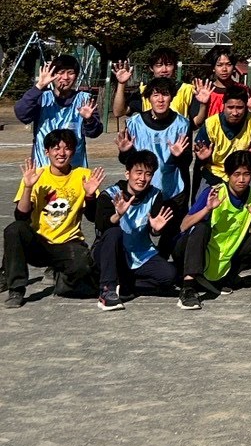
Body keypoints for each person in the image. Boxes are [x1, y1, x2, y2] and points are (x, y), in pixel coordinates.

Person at [4, 132, 103, 306]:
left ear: (74, 152)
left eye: (67, 148)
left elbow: (94, 218)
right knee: (14, 229)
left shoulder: (83, 176)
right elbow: (21, 216)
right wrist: (28, 188)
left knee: (84, 270)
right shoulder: (37, 176)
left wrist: (90, 196)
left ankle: (62, 279)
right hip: (39, 243)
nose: (61, 153)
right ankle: (16, 289)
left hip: (68, 243)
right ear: (46, 152)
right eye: (56, 148)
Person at [176, 150, 251, 308]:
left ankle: (225, 277)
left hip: (223, 254)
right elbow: (184, 225)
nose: (241, 179)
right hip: (193, 251)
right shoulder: (214, 192)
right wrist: (207, 209)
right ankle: (188, 287)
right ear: (228, 174)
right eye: (236, 174)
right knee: (200, 227)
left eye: (246, 174)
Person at [93, 149, 178, 309]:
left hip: (141, 252)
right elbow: (102, 226)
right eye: (138, 173)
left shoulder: (155, 195)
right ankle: (107, 290)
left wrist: (156, 230)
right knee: (114, 232)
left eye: (148, 174)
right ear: (127, 173)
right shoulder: (110, 195)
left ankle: (126, 284)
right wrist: (117, 214)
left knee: (169, 277)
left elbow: (154, 229)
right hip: (112, 251)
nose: (142, 178)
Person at [16, 55, 103, 168]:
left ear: (76, 76)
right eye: (61, 72)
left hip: (74, 168)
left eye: (70, 73)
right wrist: (39, 86)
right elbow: (22, 115)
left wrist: (89, 120)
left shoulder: (84, 100)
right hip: (43, 167)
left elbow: (94, 132)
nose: (65, 77)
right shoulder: (42, 97)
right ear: (53, 74)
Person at [121, 77, 192, 214]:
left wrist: (179, 156)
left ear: (172, 97)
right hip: (142, 190)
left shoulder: (182, 124)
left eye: (165, 94)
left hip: (173, 191)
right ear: (149, 98)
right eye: (156, 95)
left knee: (173, 234)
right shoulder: (134, 123)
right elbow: (127, 162)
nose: (160, 100)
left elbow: (187, 161)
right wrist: (125, 152)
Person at [194, 86, 251, 189]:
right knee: (202, 202)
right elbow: (200, 154)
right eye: (230, 107)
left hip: (243, 171)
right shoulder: (211, 124)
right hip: (215, 172)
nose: (235, 113)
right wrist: (203, 158)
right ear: (224, 106)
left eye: (240, 108)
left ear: (246, 106)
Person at [111, 46, 195, 119]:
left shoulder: (187, 90)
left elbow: (197, 122)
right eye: (159, 65)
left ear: (175, 67)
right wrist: (121, 84)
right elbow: (118, 112)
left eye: (169, 64)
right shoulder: (144, 91)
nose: (164, 70)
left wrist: (203, 104)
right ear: (151, 68)